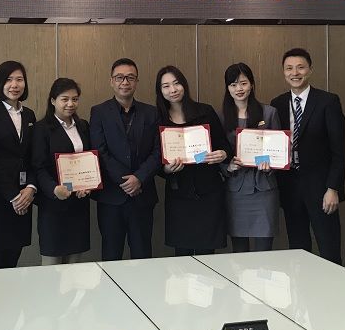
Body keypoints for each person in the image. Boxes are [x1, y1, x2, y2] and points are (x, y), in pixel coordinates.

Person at [270, 48, 345, 264]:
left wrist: (333, 188)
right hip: (290, 186)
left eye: (300, 67)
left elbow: (339, 150)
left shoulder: (328, 101)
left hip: (321, 188)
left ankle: (332, 285)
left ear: (310, 70)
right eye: (289, 68)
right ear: (283, 72)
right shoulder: (277, 103)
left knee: (329, 248)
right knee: (298, 249)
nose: (295, 73)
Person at [90, 58, 160, 260]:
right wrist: (126, 181)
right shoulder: (99, 112)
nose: (125, 82)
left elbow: (158, 151)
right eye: (119, 77)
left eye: (130, 77)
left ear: (137, 81)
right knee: (111, 255)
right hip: (111, 197)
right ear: (111, 81)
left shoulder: (151, 112)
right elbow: (99, 151)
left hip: (142, 195)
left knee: (143, 254)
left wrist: (139, 178)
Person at [156, 65, 230, 256]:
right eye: (166, 86)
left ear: (184, 85)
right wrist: (166, 169)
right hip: (179, 195)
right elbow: (155, 160)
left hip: (209, 192)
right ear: (160, 91)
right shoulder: (157, 119)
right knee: (183, 257)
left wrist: (222, 154)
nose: (173, 90)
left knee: (207, 254)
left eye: (176, 83)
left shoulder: (205, 111)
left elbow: (225, 145)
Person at [0, 61, 37, 269]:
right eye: (9, 79)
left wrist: (30, 188)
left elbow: (33, 156)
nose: (14, 85)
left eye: (19, 79)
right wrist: (13, 196)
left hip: (24, 197)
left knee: (13, 262)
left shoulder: (29, 115)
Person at [219, 63, 281, 253]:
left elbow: (279, 151)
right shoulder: (221, 117)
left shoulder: (269, 113)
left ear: (252, 84)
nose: (239, 88)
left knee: (264, 251)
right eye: (233, 84)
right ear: (228, 88)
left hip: (264, 188)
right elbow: (217, 154)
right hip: (235, 190)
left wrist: (270, 166)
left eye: (243, 83)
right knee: (239, 253)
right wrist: (228, 167)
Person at [32, 78, 92, 265]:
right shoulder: (41, 128)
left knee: (75, 267)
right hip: (53, 207)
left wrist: (88, 184)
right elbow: (39, 167)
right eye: (64, 99)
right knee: (52, 266)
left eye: (75, 99)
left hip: (79, 205)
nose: (70, 104)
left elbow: (90, 161)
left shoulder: (83, 126)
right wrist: (54, 189)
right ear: (53, 100)